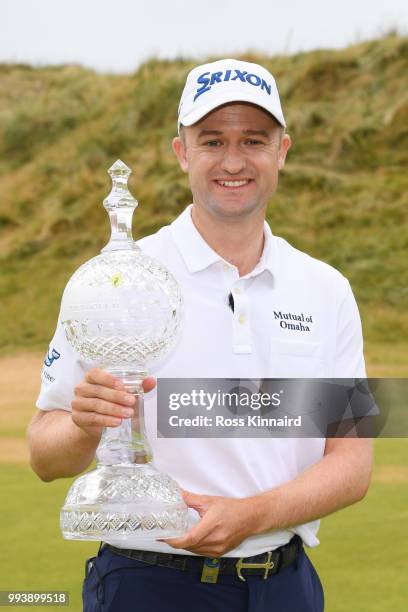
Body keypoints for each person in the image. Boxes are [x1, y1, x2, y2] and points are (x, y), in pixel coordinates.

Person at [28, 58, 373, 612]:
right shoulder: (117, 277)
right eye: (212, 140)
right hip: (147, 584)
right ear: (181, 152)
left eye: (254, 140)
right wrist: (81, 425)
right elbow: (45, 456)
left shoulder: (328, 289)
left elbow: (353, 467)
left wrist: (253, 516)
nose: (233, 161)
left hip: (285, 586)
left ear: (282, 151)